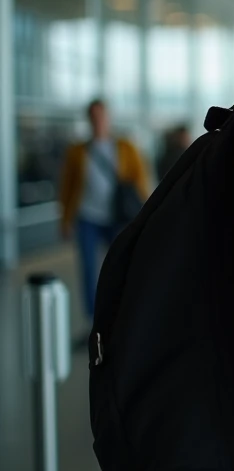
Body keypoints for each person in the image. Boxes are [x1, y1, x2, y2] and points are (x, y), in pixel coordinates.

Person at [57, 99, 150, 319]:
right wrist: (65, 220)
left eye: (101, 116)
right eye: (93, 116)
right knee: (89, 271)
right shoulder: (78, 151)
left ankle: (120, 318)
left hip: (116, 218)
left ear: (108, 118)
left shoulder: (125, 147)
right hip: (87, 217)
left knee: (121, 266)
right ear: (89, 119)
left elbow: (140, 181)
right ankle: (93, 320)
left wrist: (146, 214)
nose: (97, 121)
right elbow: (67, 186)